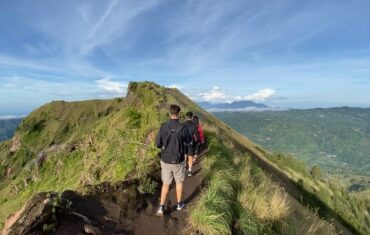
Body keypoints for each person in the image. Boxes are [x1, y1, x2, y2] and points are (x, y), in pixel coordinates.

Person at [155, 104, 192, 216]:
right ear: (179, 114)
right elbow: (189, 141)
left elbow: (157, 144)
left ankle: (161, 207)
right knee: (179, 182)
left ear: (170, 113)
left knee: (165, 184)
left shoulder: (163, 127)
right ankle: (179, 204)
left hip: (165, 160)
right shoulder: (183, 128)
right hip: (178, 160)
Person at [183, 111, 200, 177]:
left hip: (184, 142)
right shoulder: (194, 125)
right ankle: (189, 171)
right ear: (192, 117)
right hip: (191, 142)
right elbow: (197, 136)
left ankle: (184, 166)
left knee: (184, 154)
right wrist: (197, 142)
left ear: (186, 116)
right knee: (190, 157)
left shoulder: (182, 124)